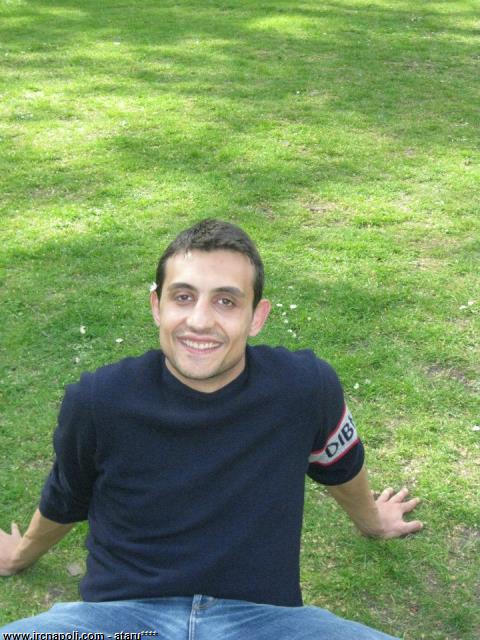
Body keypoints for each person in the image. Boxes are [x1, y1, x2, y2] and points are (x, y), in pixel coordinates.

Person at [0, 219, 422, 639]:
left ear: (257, 317)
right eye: (183, 297)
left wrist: (374, 522)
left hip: (262, 622)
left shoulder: (304, 389)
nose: (200, 321)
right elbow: (68, 495)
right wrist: (20, 554)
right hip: (122, 619)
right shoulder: (99, 400)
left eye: (226, 301)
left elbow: (339, 465)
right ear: (157, 306)